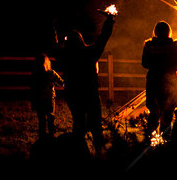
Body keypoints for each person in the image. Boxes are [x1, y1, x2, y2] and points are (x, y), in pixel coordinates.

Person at [53, 11, 115, 150]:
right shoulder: (90, 53)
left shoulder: (65, 56)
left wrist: (54, 29)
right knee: (95, 124)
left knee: (78, 123)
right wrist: (109, 20)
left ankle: (79, 152)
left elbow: (54, 46)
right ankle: (101, 153)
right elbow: (103, 38)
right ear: (81, 40)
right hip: (90, 93)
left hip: (73, 93)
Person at [142, 21, 177, 142]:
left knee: (154, 113)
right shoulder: (175, 47)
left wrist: (156, 65)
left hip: (153, 83)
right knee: (167, 115)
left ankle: (150, 142)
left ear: (155, 32)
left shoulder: (149, 46)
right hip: (169, 84)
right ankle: (165, 141)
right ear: (169, 32)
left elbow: (144, 64)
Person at [29, 53, 64, 138]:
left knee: (42, 118)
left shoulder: (35, 75)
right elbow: (61, 82)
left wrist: (33, 101)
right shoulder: (51, 73)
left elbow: (32, 89)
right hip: (49, 99)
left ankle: (43, 135)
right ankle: (51, 134)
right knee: (50, 116)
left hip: (40, 98)